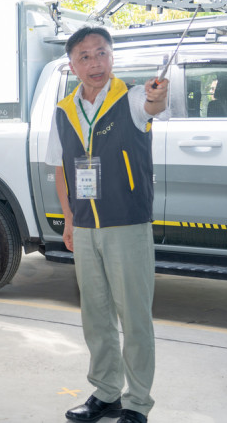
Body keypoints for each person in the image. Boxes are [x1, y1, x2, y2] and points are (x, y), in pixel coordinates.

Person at [44, 26, 169, 423]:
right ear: (72, 65)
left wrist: (156, 97)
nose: (95, 62)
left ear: (112, 57)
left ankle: (137, 403)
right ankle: (107, 392)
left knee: (133, 318)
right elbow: (62, 169)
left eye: (101, 53)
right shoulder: (64, 111)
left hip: (126, 224)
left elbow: (153, 105)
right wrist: (69, 220)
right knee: (95, 316)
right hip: (84, 227)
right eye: (85, 56)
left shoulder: (131, 98)